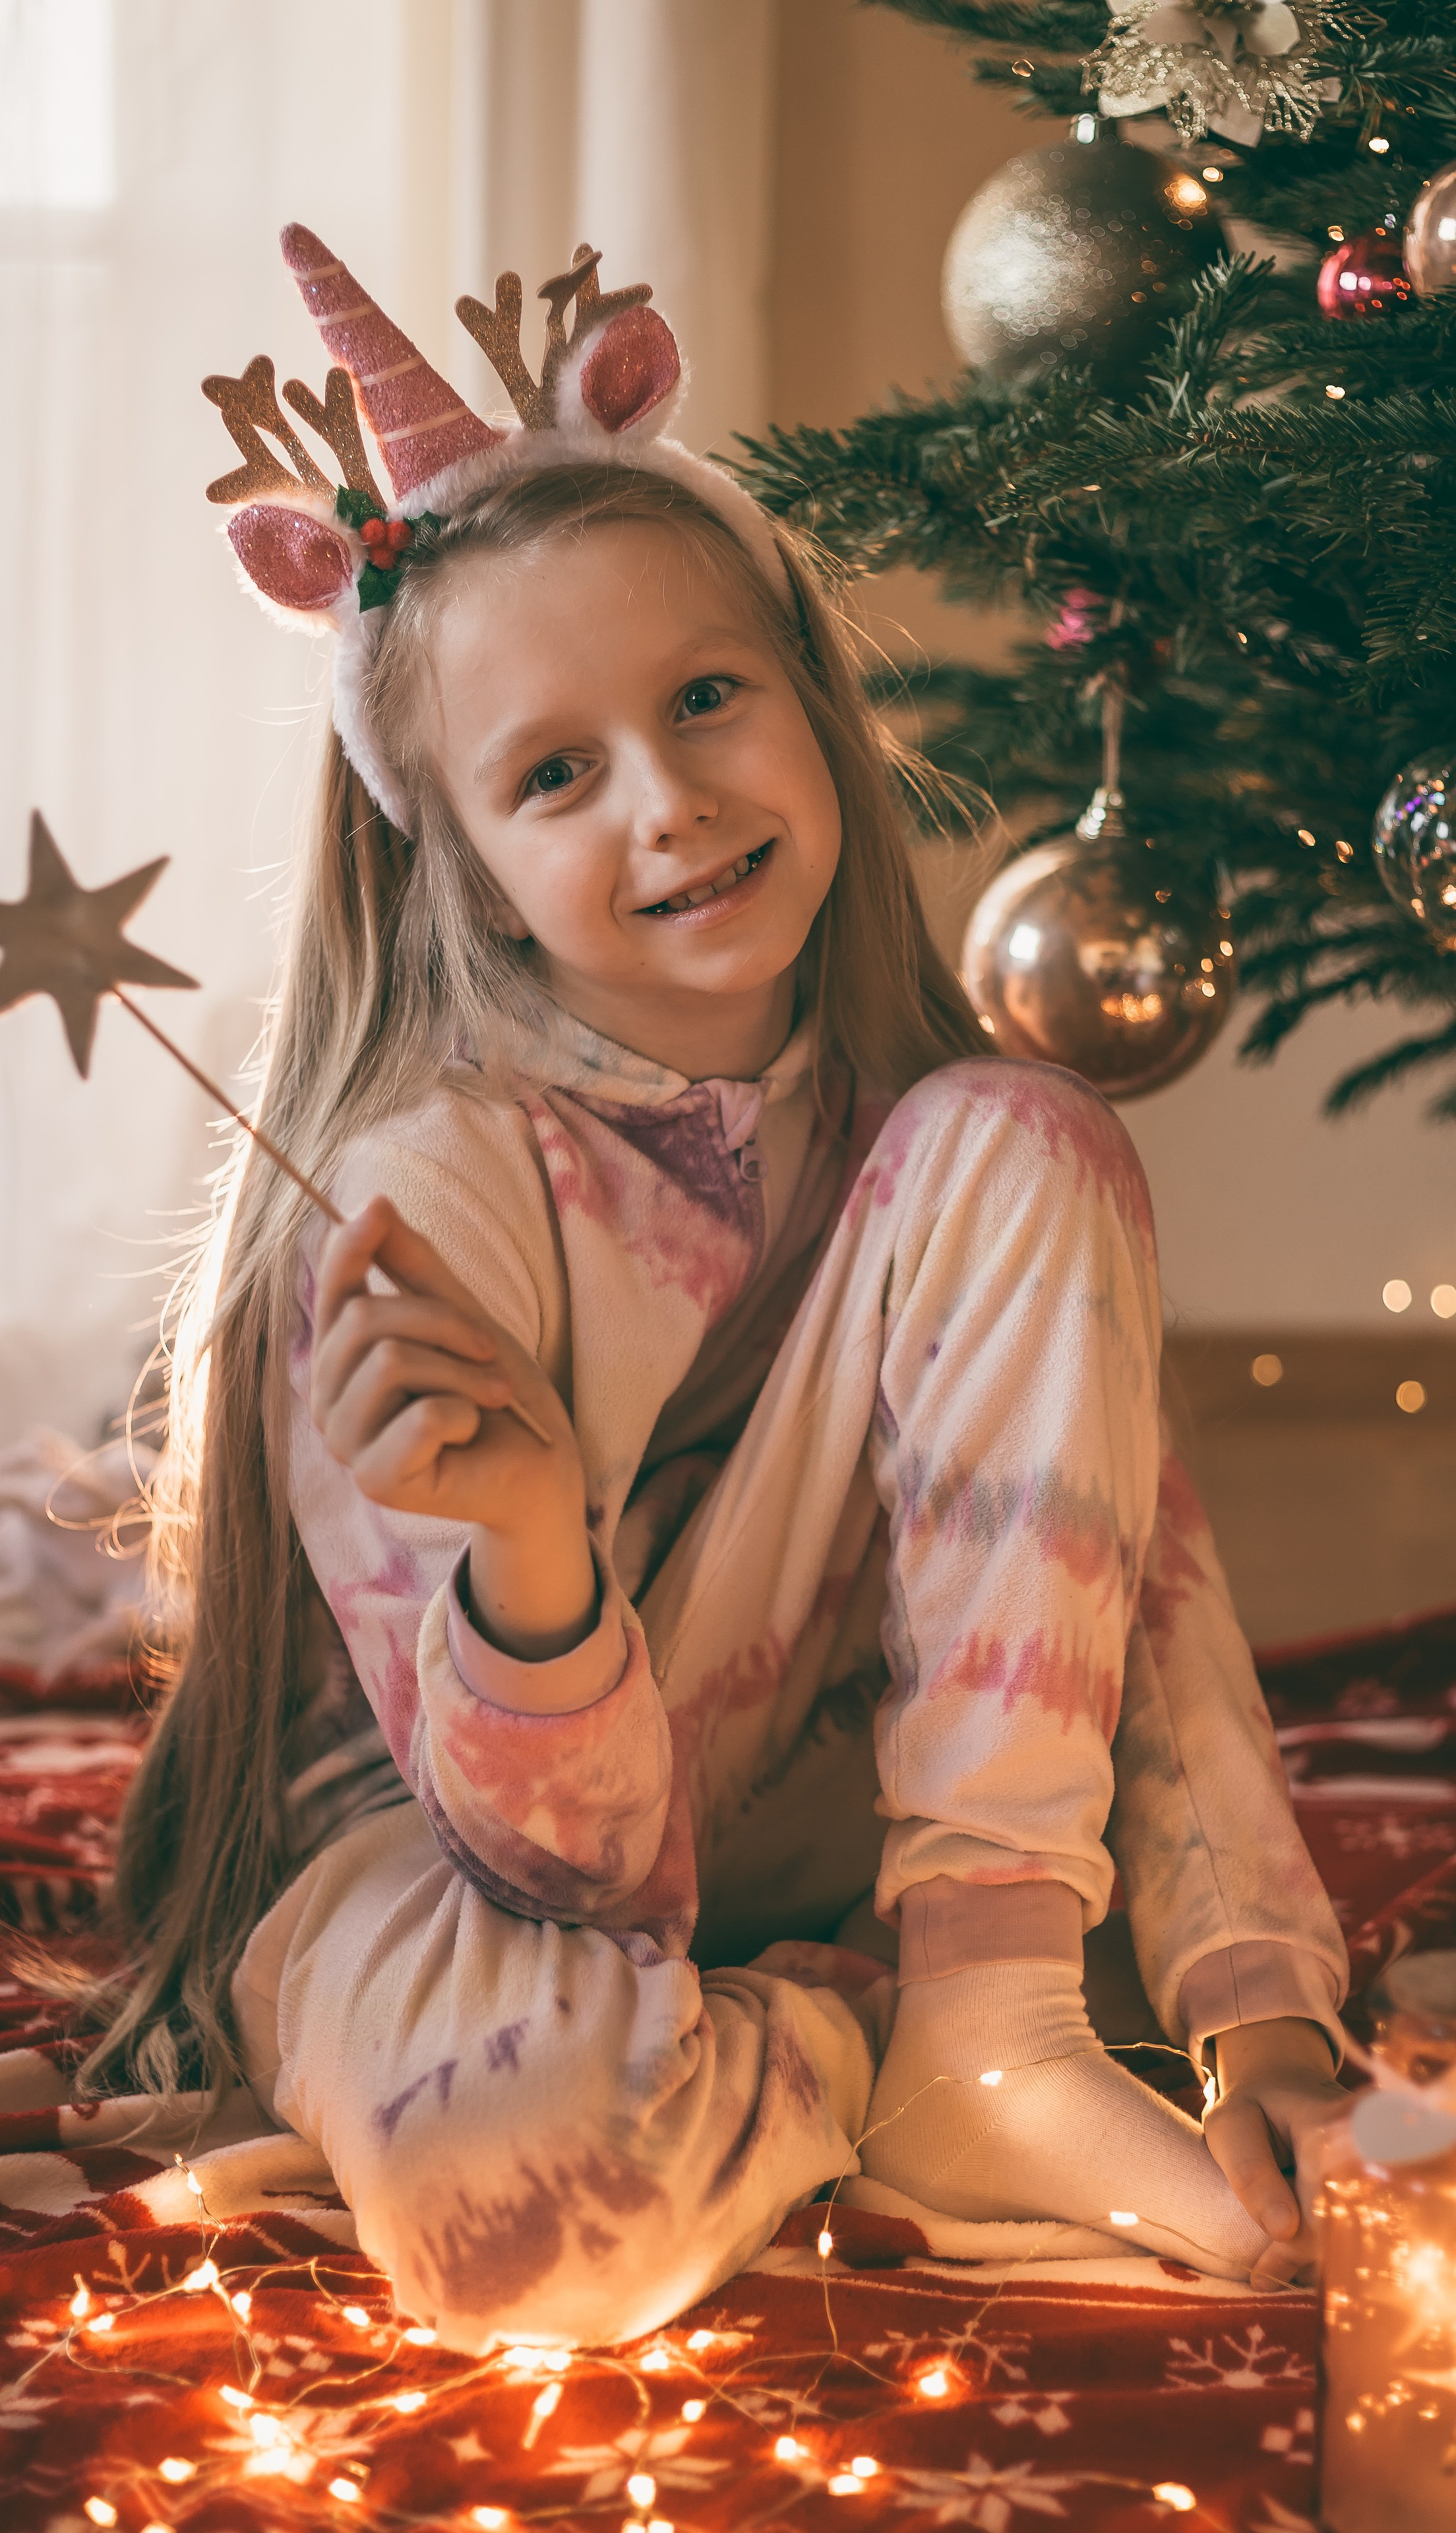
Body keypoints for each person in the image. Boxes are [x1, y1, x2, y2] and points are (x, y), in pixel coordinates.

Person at [90, 226, 1348, 2353]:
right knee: (530, 2228)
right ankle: (877, 2047)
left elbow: (1134, 1597)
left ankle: (987, 2019)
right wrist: (525, 1565)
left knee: (1028, 1131)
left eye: (702, 702)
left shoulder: (941, 1150)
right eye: (556, 773)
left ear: (804, 694)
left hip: (818, 1813)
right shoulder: (417, 1197)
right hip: (468, 1855)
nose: (669, 805)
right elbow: (579, 1885)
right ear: (456, 852)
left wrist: (1258, 2004)